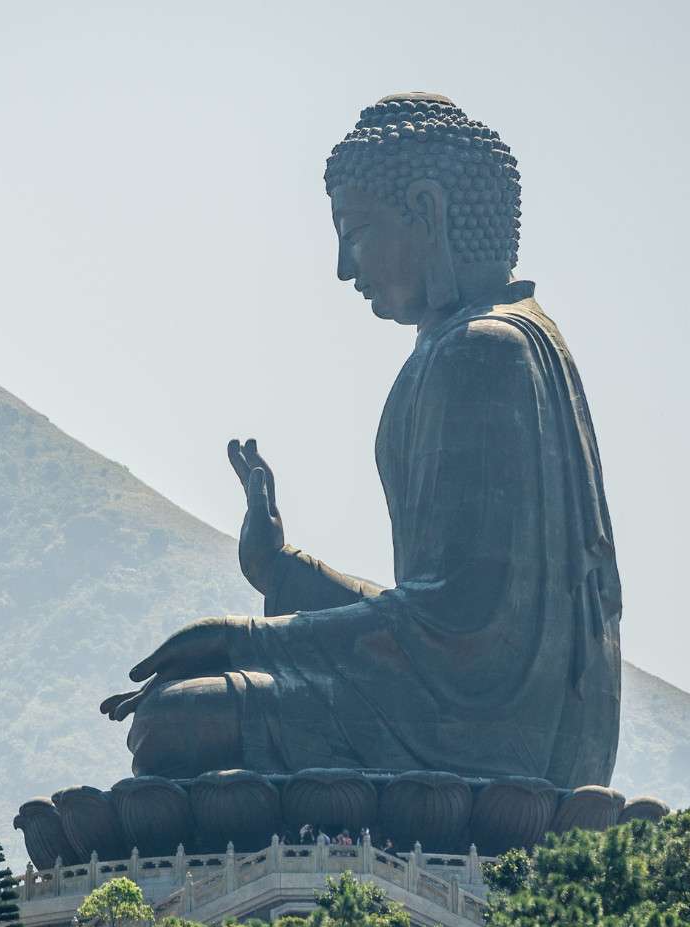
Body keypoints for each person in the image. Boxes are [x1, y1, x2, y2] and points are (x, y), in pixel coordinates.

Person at [101, 93, 621, 791]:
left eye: (357, 230)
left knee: (173, 722)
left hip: (483, 741)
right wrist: (283, 571)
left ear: (429, 211)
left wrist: (248, 637)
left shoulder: (483, 350)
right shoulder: (507, 340)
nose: (346, 267)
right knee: (182, 715)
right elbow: (441, 609)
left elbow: (459, 627)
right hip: (486, 725)